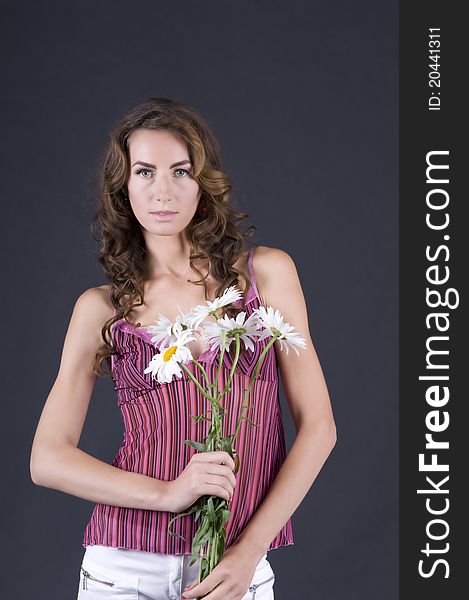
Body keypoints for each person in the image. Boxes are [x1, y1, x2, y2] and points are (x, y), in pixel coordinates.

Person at [30, 97, 337, 600]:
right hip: (123, 570)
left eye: (181, 171)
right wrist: (168, 493)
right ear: (123, 189)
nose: (163, 192)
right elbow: (47, 459)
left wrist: (248, 553)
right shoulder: (101, 309)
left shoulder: (265, 276)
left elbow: (319, 427)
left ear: (203, 183)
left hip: (233, 567)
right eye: (145, 172)